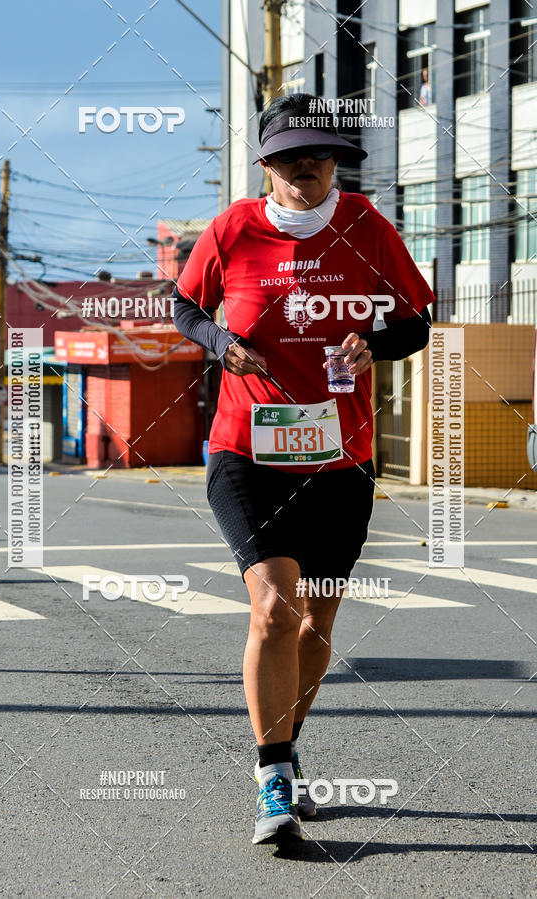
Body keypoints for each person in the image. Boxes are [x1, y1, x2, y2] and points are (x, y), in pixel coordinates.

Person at [172, 93, 433, 845]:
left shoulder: (366, 228)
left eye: (319, 159)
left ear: (335, 164)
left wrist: (371, 345)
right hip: (247, 448)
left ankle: (286, 746)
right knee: (274, 609)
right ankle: (273, 781)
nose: (307, 171)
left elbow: (415, 319)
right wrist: (222, 343)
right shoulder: (233, 230)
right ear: (266, 164)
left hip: (340, 456)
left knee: (317, 620)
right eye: (291, 159)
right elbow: (186, 305)